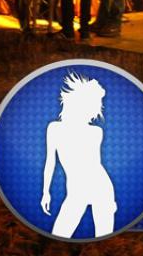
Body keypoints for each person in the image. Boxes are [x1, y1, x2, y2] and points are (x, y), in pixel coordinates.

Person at [41, 73, 116, 238]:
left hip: (101, 188)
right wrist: (46, 192)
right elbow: (50, 162)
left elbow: (94, 165)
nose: (96, 110)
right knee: (60, 234)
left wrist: (109, 202)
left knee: (105, 238)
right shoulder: (54, 128)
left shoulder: (96, 132)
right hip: (76, 191)